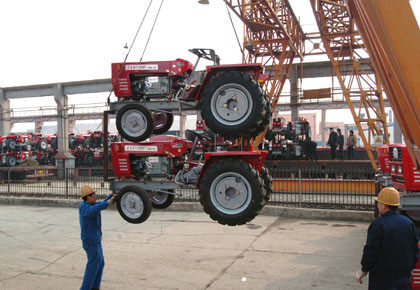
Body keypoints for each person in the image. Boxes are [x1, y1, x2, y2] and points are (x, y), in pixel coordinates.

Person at [356, 187, 419, 289]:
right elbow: (415, 248)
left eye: (379, 203)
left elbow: (371, 250)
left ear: (384, 206)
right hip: (403, 279)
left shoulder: (378, 225)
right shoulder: (408, 223)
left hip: (382, 280)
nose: (377, 205)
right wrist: (410, 267)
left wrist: (365, 269)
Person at [79, 185, 116, 290]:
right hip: (90, 241)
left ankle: (95, 287)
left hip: (96, 240)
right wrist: (108, 203)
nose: (96, 197)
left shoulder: (91, 204)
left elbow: (100, 204)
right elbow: (95, 208)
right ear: (88, 197)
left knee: (100, 263)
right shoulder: (84, 207)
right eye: (94, 195)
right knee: (93, 266)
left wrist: (110, 197)